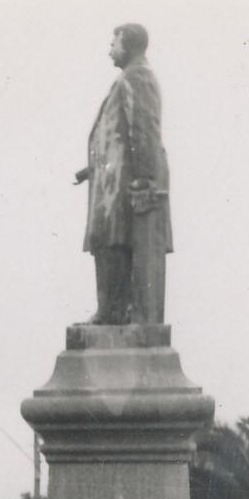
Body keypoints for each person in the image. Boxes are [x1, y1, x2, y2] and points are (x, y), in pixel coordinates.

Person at [74, 23, 172, 325]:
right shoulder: (129, 77)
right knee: (109, 243)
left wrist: (143, 179)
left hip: (123, 185)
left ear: (127, 45)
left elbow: (143, 129)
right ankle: (112, 310)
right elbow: (116, 136)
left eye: (113, 43)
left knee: (114, 243)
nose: (109, 49)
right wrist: (92, 169)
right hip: (112, 180)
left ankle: (113, 311)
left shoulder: (136, 76)